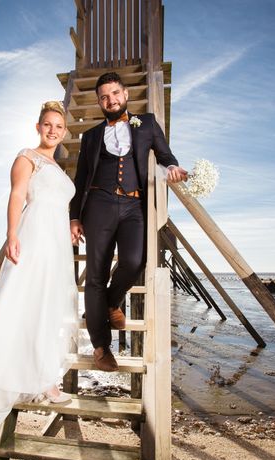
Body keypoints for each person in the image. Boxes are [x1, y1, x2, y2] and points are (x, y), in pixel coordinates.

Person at [0, 101, 78, 428]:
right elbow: (16, 196)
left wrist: (69, 227)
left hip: (56, 244)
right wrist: (12, 234)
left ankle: (44, 379)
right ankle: (21, 382)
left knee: (48, 308)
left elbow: (57, 204)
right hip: (35, 238)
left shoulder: (58, 169)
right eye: (47, 124)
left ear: (64, 132)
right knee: (24, 305)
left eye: (58, 126)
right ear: (38, 127)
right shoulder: (27, 157)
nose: (53, 130)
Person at [69, 72, 187, 372]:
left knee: (135, 261)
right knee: (95, 274)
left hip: (135, 204)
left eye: (115, 94)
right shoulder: (92, 135)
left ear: (125, 95)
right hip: (98, 205)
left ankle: (111, 303)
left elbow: (164, 154)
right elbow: (81, 178)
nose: (110, 100)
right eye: (104, 97)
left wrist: (172, 166)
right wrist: (74, 216)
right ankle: (100, 346)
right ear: (99, 102)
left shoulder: (145, 123)